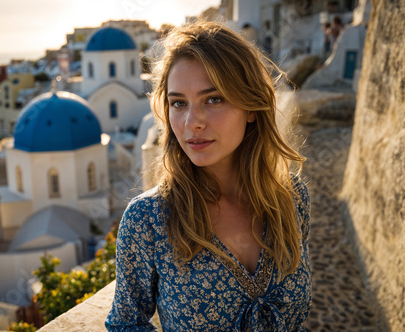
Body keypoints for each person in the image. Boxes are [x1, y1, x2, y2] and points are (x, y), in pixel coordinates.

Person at [106, 21, 311, 331]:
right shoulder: (149, 220)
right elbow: (126, 324)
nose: (192, 122)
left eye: (213, 99)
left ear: (251, 107)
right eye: (178, 103)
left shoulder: (292, 197)